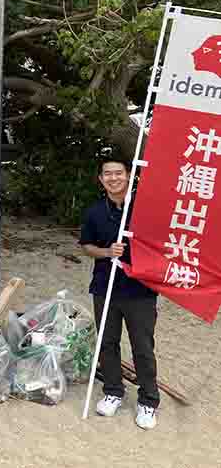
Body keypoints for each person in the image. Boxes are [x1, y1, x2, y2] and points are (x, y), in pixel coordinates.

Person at [80, 157, 159, 430]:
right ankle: (113, 391)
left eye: (119, 173)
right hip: (105, 286)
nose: (113, 178)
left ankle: (148, 400)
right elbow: (87, 245)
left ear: (129, 176)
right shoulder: (95, 212)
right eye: (107, 174)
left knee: (142, 346)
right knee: (107, 342)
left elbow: (160, 244)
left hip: (140, 290)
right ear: (101, 180)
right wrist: (106, 252)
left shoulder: (145, 209)